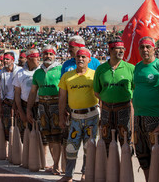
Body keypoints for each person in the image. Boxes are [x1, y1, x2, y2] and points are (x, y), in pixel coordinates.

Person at [133, 36, 159, 181]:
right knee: (142, 154)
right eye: (142, 47)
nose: (145, 50)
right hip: (138, 117)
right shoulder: (137, 66)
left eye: (148, 47)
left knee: (158, 154)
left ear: (154, 48)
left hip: (155, 118)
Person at [58, 48, 99, 182]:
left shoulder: (95, 75)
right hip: (75, 117)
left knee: (89, 146)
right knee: (71, 146)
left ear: (89, 59)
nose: (80, 59)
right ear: (74, 59)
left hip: (92, 116)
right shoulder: (66, 76)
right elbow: (62, 98)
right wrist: (61, 116)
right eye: (78, 57)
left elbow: (101, 95)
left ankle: (85, 173)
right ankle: (68, 175)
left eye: (83, 57)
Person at [93, 38, 134, 152]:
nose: (121, 51)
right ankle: (108, 169)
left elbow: (135, 89)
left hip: (124, 109)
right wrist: (108, 99)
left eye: (123, 48)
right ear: (110, 50)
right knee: (106, 141)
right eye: (118, 48)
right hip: (106, 109)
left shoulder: (130, 68)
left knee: (126, 140)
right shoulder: (101, 69)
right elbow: (96, 91)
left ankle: (126, 169)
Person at [27, 45, 62, 175]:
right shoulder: (38, 72)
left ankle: (57, 165)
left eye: (50, 54)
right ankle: (54, 163)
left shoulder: (60, 69)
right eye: (46, 54)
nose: (48, 56)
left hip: (57, 105)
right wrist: (29, 109)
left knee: (57, 136)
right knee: (48, 136)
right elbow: (32, 92)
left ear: (55, 55)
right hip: (42, 105)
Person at [13, 49, 40, 140]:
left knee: (41, 137)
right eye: (36, 57)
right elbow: (17, 93)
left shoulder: (41, 72)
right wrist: (21, 111)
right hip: (24, 106)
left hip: (39, 106)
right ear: (29, 59)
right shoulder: (20, 73)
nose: (39, 59)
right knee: (25, 136)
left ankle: (41, 155)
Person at [0, 51, 21, 142]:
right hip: (5, 103)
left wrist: (16, 106)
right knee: (6, 128)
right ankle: (6, 151)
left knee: (16, 129)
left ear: (13, 60)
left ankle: (17, 150)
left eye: (7, 59)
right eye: (4, 59)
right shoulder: (1, 73)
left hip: (17, 104)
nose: (5, 61)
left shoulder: (19, 71)